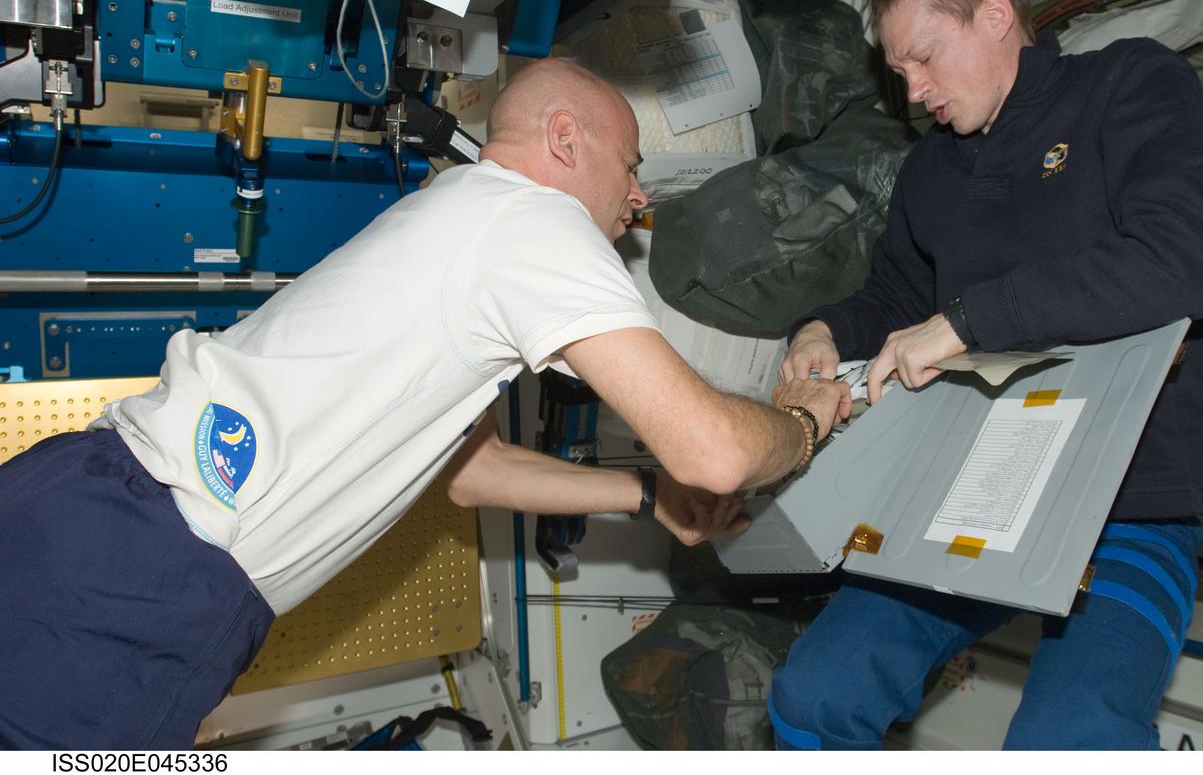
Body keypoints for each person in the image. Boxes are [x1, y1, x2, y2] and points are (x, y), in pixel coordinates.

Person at [0, 58, 851, 750]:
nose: (638, 197)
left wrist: (645, 496)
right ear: (565, 139)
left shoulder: (461, 213)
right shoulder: (537, 224)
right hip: (147, 574)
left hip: (86, 509)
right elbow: (715, 451)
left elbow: (474, 472)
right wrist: (806, 420)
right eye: (631, 167)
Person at [768, 0, 1203, 750]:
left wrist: (966, 322)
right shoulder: (930, 172)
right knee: (814, 693)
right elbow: (898, 299)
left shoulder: (1129, 83)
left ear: (994, 15)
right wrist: (823, 329)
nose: (914, 91)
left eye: (923, 59)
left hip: (1131, 499)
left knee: (1069, 739)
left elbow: (1179, 261)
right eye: (899, 73)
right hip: (978, 495)